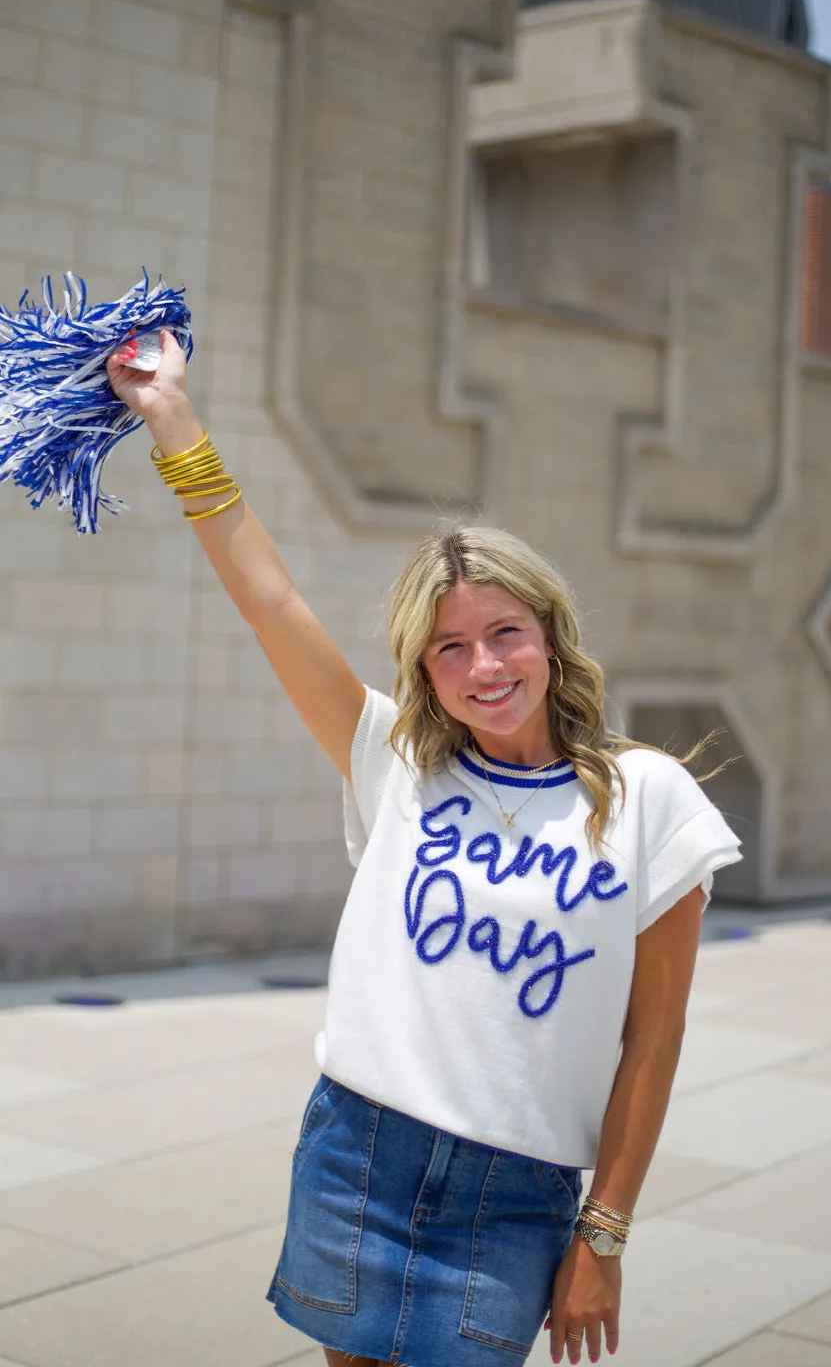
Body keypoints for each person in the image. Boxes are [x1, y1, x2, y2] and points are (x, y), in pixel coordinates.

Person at [108, 331, 741, 1367]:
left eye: (504, 633)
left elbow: (654, 1037)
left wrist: (606, 1233)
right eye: (449, 646)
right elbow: (271, 599)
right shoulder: (392, 759)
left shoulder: (647, 800)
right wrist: (173, 419)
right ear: (421, 668)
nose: (482, 665)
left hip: (516, 1190)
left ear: (550, 635)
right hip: (357, 1153)